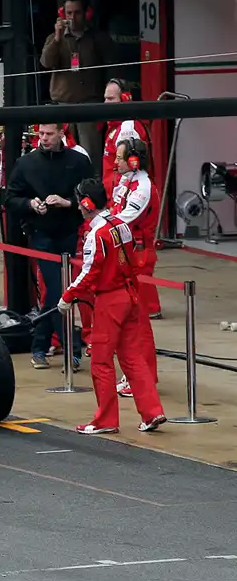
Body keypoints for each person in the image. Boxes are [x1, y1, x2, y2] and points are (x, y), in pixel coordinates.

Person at [59, 178, 166, 434]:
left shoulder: (96, 234)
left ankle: (106, 420)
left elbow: (89, 273)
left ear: (86, 203)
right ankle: (153, 412)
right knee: (133, 358)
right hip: (130, 296)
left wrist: (67, 296)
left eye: (79, 202)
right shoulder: (122, 225)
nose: (77, 207)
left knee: (101, 362)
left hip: (110, 301)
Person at [6, 123, 91, 369]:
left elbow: (94, 194)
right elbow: (11, 198)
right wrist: (31, 204)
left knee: (57, 292)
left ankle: (40, 346)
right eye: (40, 134)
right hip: (40, 233)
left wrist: (68, 203)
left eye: (49, 134)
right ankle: (72, 349)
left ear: (61, 134)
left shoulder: (78, 161)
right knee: (58, 288)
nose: (43, 138)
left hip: (67, 231)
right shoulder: (26, 163)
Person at [39, 0, 118, 170]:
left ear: (87, 14)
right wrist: (58, 38)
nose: (72, 18)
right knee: (61, 152)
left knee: (91, 154)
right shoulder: (54, 38)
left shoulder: (98, 37)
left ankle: (91, 190)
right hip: (62, 104)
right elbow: (46, 63)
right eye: (68, 13)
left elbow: (112, 66)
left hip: (89, 104)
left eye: (77, 13)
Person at [109, 137, 162, 398]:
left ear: (133, 160)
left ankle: (145, 376)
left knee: (139, 321)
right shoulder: (125, 182)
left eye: (120, 157)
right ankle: (134, 373)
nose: (115, 161)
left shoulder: (142, 186)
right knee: (128, 319)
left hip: (139, 258)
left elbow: (122, 219)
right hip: (126, 255)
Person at [102, 79, 151, 202]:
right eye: (105, 98)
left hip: (122, 200)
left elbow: (128, 172)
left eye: (111, 99)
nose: (105, 103)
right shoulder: (115, 126)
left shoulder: (127, 128)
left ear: (124, 99)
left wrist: (117, 203)